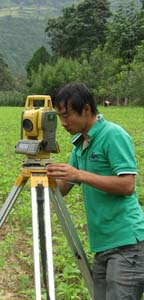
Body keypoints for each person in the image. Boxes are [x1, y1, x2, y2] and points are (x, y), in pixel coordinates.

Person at [46, 83, 144, 300]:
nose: (63, 123)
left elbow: (127, 185)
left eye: (67, 115)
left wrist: (79, 175)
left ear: (87, 109)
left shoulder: (113, 135)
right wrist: (44, 174)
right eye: (59, 116)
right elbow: (63, 190)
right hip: (102, 245)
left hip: (127, 243)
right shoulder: (80, 144)